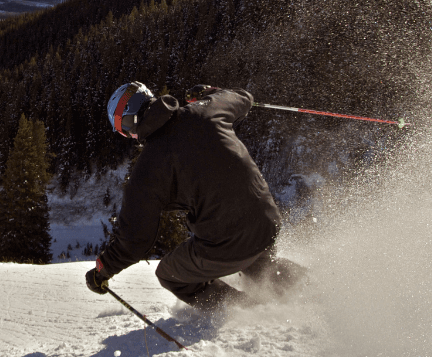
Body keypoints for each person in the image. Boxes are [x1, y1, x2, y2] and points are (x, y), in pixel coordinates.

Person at [86, 82, 305, 309]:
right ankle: (312, 288)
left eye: (123, 129)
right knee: (259, 265)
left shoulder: (148, 168)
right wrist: (211, 94)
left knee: (169, 274)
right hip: (266, 221)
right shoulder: (207, 110)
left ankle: (245, 311)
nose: (128, 135)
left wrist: (102, 270)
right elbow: (242, 97)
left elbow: (134, 241)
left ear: (131, 122)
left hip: (225, 243)